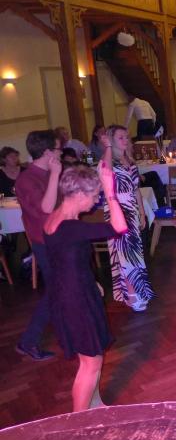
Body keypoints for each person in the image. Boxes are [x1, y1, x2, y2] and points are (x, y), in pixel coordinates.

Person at [43, 162, 128, 411]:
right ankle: (79, 423)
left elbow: (66, 260)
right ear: (79, 194)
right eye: (94, 196)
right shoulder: (71, 228)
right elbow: (119, 227)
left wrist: (92, 282)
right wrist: (110, 192)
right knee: (90, 363)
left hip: (71, 292)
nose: (96, 201)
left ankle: (96, 405)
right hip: (75, 299)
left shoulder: (55, 219)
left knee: (94, 357)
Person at [14, 130, 62, 361]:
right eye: (58, 149)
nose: (61, 153)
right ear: (47, 153)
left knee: (61, 287)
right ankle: (28, 341)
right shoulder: (26, 179)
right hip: (45, 243)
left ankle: (65, 329)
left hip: (59, 238)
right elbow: (46, 208)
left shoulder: (47, 173)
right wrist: (56, 175)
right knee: (55, 290)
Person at [103, 125, 155, 312]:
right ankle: (131, 294)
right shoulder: (109, 161)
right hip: (117, 209)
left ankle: (137, 291)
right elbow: (106, 174)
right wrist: (108, 147)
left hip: (131, 209)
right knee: (124, 255)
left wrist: (141, 212)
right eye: (120, 137)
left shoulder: (130, 161)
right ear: (111, 140)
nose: (125, 140)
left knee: (135, 253)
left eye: (126, 137)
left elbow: (136, 189)